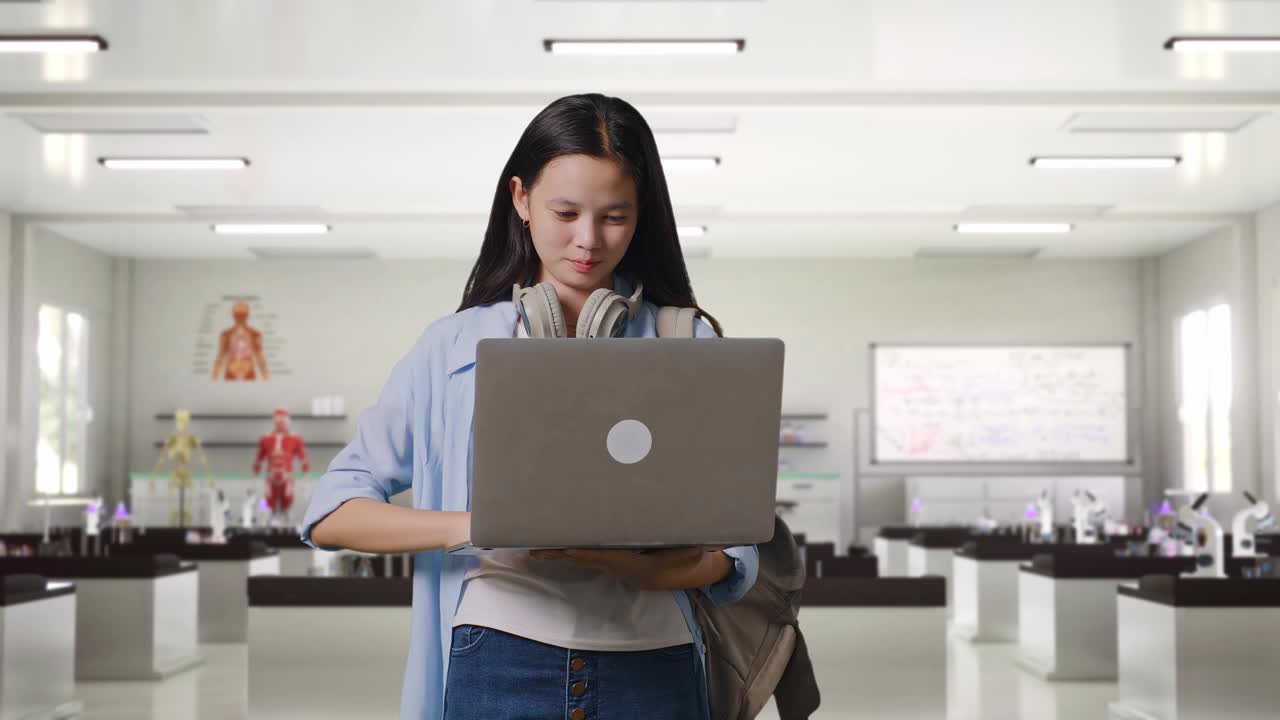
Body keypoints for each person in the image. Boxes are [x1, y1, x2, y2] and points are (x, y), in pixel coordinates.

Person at [302, 93, 759, 720]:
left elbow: (736, 552)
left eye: (615, 216)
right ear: (521, 200)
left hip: (655, 662)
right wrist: (482, 526)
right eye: (565, 212)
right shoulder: (453, 346)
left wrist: (650, 569)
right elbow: (332, 511)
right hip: (498, 657)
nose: (588, 241)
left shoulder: (688, 342)